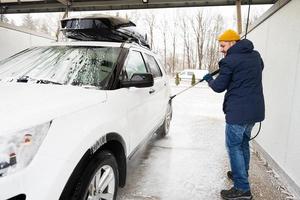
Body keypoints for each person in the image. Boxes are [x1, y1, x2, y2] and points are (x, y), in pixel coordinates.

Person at [203, 29, 265, 200]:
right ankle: (241, 173)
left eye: (223, 45)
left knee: (234, 148)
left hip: (238, 112)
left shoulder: (229, 61)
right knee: (243, 144)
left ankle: (242, 189)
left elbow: (218, 87)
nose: (221, 49)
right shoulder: (256, 56)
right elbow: (259, 68)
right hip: (255, 110)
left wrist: (209, 78)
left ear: (232, 42)